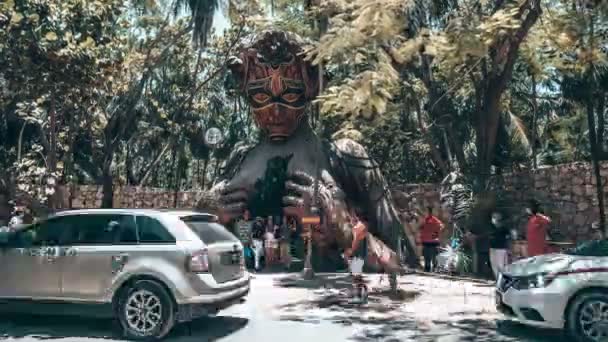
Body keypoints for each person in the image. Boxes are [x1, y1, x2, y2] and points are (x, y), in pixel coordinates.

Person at [418, 207, 444, 272]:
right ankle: (429, 268)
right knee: (428, 256)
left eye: (425, 211)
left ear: (429, 212)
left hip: (432, 241)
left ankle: (432, 268)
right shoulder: (426, 220)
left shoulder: (432, 220)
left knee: (432, 256)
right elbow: (441, 226)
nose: (423, 213)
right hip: (427, 241)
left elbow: (441, 226)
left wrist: (435, 233)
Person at [489, 211, 510, 278]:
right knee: (494, 265)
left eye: (494, 217)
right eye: (493, 217)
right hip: (492, 248)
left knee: (500, 265)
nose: (493, 219)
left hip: (501, 249)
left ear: (499, 218)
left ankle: (503, 280)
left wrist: (508, 248)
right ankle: (498, 279)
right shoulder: (491, 227)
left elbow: (508, 237)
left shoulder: (504, 228)